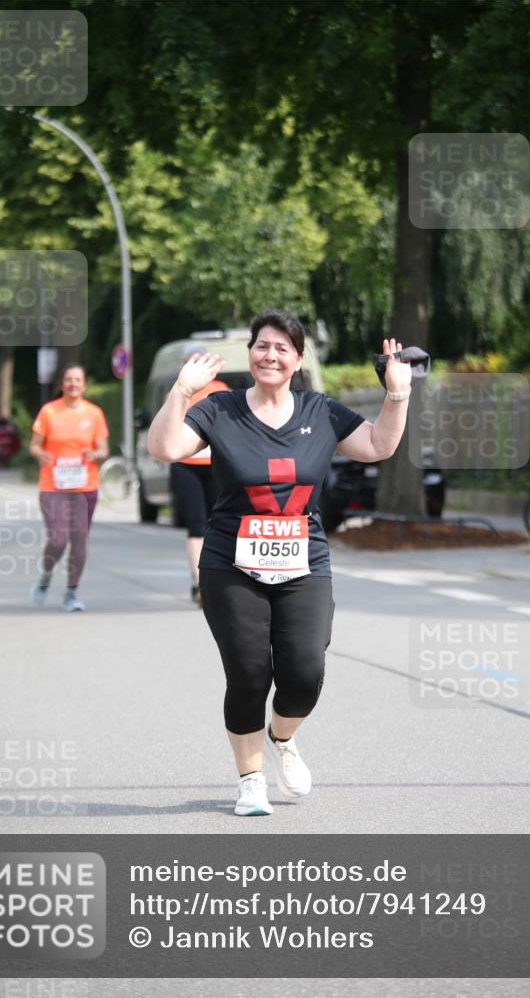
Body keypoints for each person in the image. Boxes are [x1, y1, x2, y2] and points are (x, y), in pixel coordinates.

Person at [148, 309, 412, 816]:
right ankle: (250, 780)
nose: (270, 355)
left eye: (282, 348)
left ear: (298, 359)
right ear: (250, 354)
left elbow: (379, 445)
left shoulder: (321, 410)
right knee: (248, 674)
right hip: (230, 563)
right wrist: (181, 392)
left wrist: (397, 392)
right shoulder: (219, 409)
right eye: (261, 345)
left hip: (303, 561)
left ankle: (282, 737)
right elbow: (163, 448)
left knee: (304, 671)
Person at [29, 365, 109, 612]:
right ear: (62, 384)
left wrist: (95, 453)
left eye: (78, 380)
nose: (73, 383)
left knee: (80, 541)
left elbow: (104, 450)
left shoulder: (94, 414)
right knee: (58, 538)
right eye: (68, 380)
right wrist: (40, 454)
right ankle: (45, 576)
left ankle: (71, 594)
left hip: (85, 486)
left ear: (84, 385)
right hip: (53, 485)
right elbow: (34, 445)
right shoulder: (49, 412)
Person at [170, 355, 230, 605]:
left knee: (218, 525)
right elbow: (169, 427)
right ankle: (200, 585)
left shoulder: (222, 391)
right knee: (196, 526)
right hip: (186, 467)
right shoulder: (179, 391)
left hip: (216, 466)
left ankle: (220, 580)